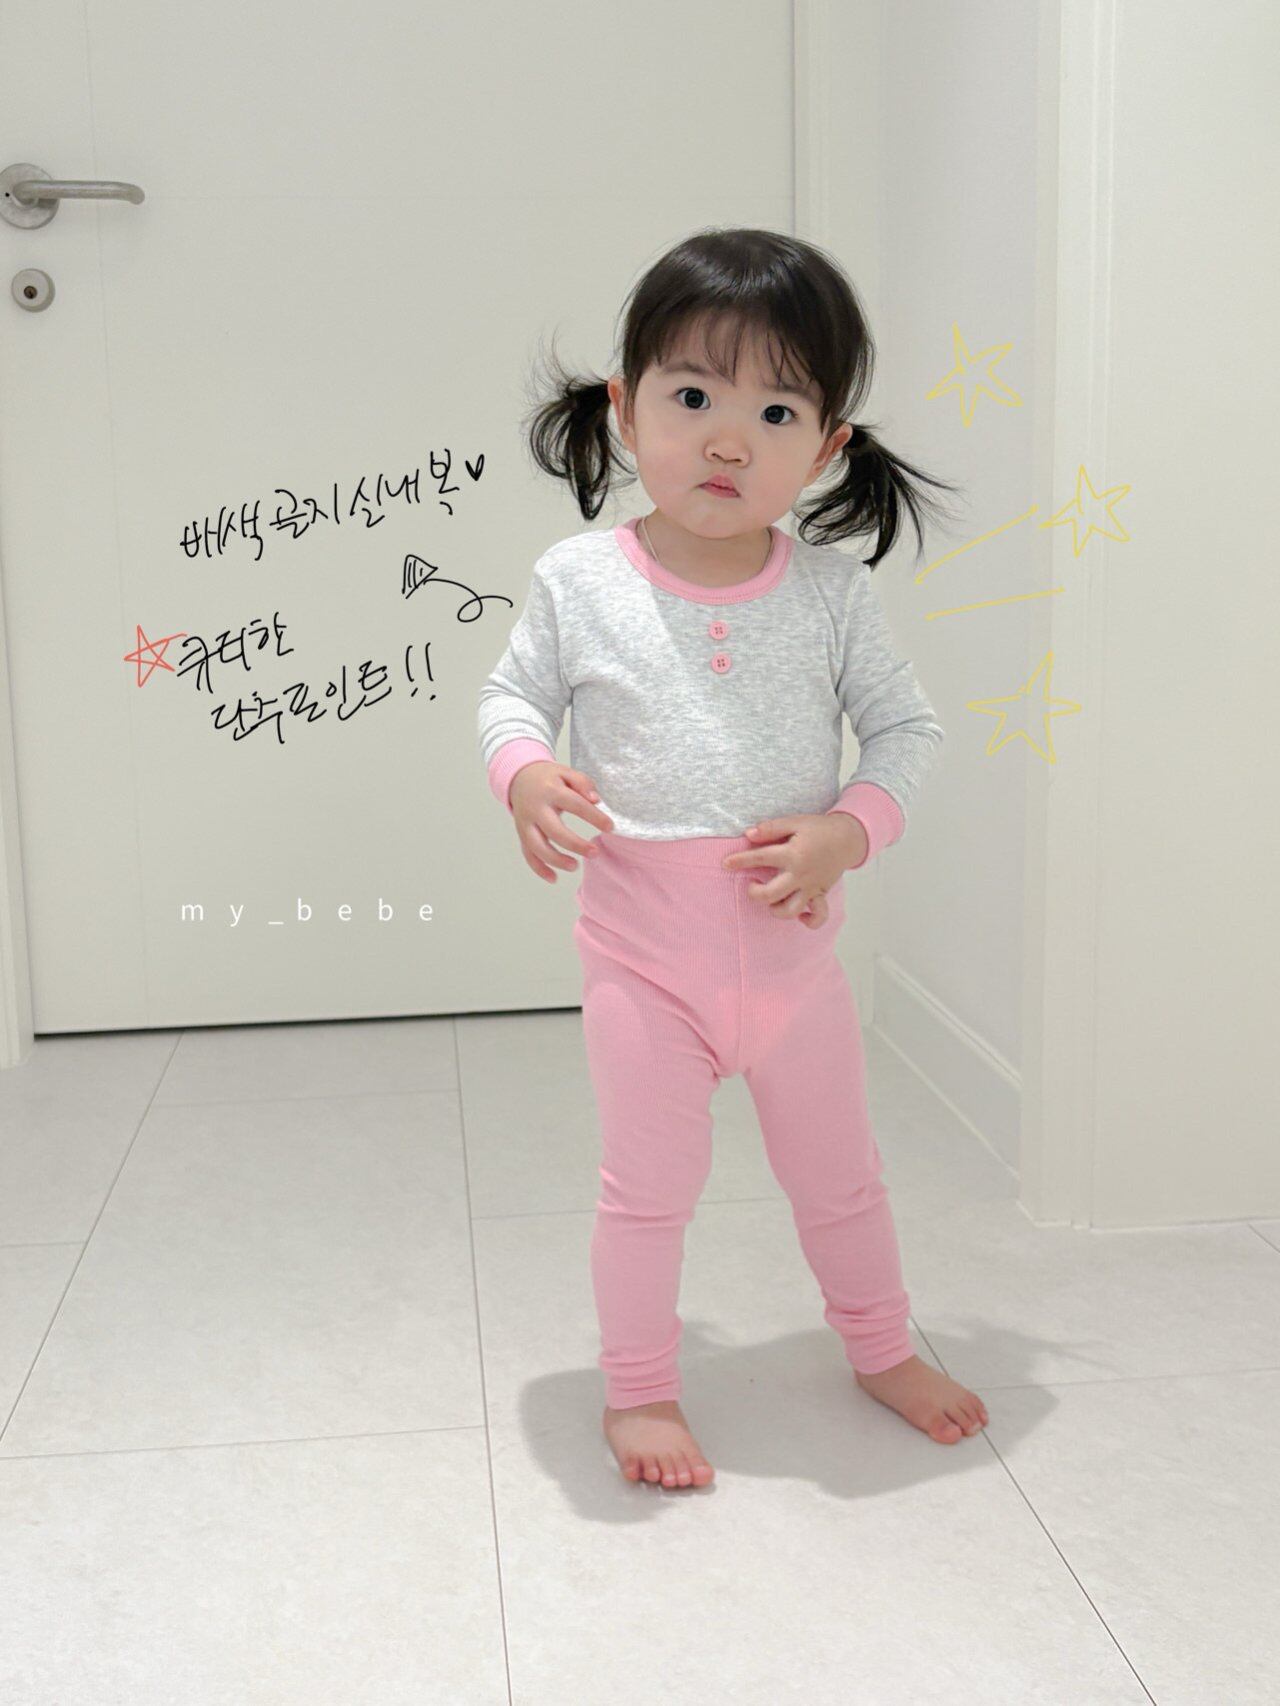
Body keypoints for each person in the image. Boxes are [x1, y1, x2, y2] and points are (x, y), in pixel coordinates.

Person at [477, 226, 988, 1491]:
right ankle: (640, 1386)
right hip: (643, 968)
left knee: (842, 1180)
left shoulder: (829, 592)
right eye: (692, 396)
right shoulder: (579, 579)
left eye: (773, 412)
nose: (726, 440)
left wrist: (847, 828)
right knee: (646, 1191)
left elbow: (906, 732)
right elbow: (510, 699)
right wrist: (524, 773)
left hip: (795, 973)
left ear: (824, 448)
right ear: (624, 407)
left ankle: (879, 1344)